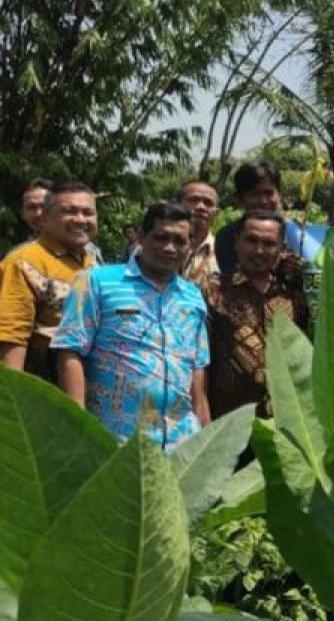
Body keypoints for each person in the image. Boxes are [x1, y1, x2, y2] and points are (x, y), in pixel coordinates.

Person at [53, 202, 211, 448]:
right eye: (161, 237)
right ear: (141, 236)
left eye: (180, 241)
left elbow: (197, 367)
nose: (170, 248)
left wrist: (204, 433)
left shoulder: (193, 296)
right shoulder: (96, 281)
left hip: (181, 442)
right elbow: (70, 350)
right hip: (116, 439)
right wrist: (78, 423)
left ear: (190, 245)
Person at [205, 211, 310, 419]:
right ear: (237, 242)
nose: (259, 250)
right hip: (228, 419)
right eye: (251, 241)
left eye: (269, 243)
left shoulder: (296, 294)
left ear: (281, 248)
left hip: (286, 419)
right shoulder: (212, 290)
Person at [0, 181, 99, 380]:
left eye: (88, 213)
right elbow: (11, 337)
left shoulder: (93, 263)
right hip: (44, 379)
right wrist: (15, 396)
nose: (81, 219)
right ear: (45, 218)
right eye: (70, 211)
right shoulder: (24, 262)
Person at [215, 161, 283, 273]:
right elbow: (233, 278)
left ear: (279, 195)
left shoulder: (298, 235)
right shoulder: (227, 237)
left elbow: (314, 280)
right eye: (254, 194)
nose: (263, 201)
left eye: (269, 193)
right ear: (239, 199)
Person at [178, 179, 221, 284]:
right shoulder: (156, 248)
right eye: (193, 200)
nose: (201, 207)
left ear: (216, 213)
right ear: (178, 205)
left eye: (208, 203)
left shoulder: (224, 253)